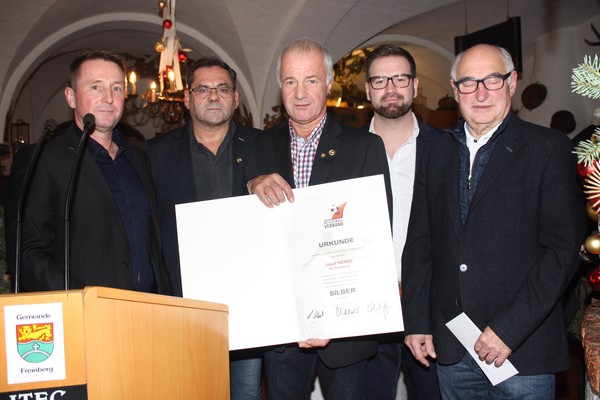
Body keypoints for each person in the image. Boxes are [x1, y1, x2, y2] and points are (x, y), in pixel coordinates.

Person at [401, 43, 587, 399]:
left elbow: (562, 251)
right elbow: (421, 242)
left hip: (520, 350)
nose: (481, 93)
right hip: (452, 349)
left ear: (512, 82)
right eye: (469, 82)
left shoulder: (548, 149)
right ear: (455, 89)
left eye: (492, 80)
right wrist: (418, 320)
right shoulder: (434, 152)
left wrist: (509, 328)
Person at [247, 38, 392, 400]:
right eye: (290, 81)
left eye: (311, 80)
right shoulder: (256, 147)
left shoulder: (364, 147)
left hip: (345, 331)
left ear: (328, 84)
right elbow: (248, 237)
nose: (300, 93)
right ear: (280, 86)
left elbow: (376, 238)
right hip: (281, 330)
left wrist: (336, 316)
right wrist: (250, 185)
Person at [144, 56, 262, 400]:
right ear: (187, 98)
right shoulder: (154, 154)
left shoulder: (264, 146)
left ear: (235, 99)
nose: (213, 96)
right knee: (189, 390)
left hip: (249, 303)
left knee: (245, 392)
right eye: (203, 89)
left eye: (222, 89)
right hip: (183, 305)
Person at [19, 50, 171, 294]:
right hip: (85, 311)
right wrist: (80, 301)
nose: (108, 98)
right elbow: (30, 253)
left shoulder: (139, 158)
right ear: (71, 97)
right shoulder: (44, 159)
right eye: (95, 87)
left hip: (148, 307)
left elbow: (153, 240)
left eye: (117, 88)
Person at [363, 44, 441, 400]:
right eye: (380, 80)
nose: (390, 88)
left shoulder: (445, 147)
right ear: (368, 89)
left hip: (429, 302)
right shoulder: (346, 150)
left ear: (415, 85)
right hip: (364, 304)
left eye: (400, 78)